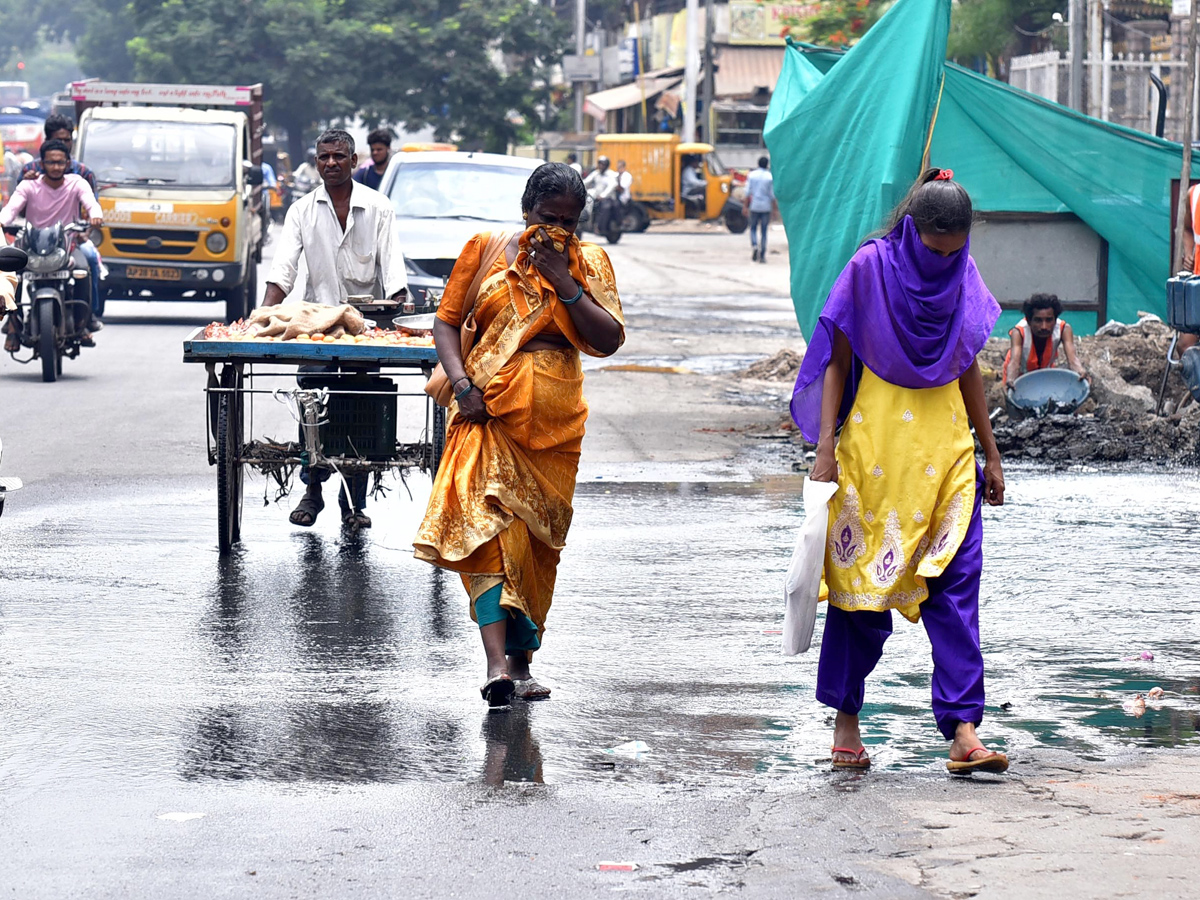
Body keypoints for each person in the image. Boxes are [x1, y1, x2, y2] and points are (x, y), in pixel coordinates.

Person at [790, 168, 1009, 775]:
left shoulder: (962, 273)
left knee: (957, 593)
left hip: (947, 462)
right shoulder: (869, 269)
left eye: (955, 249)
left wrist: (990, 453)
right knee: (860, 600)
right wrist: (825, 446)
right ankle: (846, 726)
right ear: (913, 231)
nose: (944, 260)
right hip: (875, 458)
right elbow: (835, 359)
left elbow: (967, 364)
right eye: (935, 249)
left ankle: (963, 730)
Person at [414, 163, 624, 710]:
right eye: (547, 218)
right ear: (525, 209)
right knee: (488, 530)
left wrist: (564, 281)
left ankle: (523, 665)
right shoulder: (485, 247)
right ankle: (495, 666)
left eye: (569, 223)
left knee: (533, 544)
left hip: (555, 426)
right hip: (486, 413)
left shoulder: (589, 262)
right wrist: (462, 384)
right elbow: (446, 321)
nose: (556, 230)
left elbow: (608, 339)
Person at [264, 129, 409, 530]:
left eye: (338, 156)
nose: (331, 163)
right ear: (316, 162)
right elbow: (283, 272)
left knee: (360, 405)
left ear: (354, 159)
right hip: (317, 327)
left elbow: (393, 272)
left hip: (364, 328)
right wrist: (262, 317)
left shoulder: (379, 208)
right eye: (324, 156)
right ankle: (312, 491)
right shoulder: (301, 210)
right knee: (312, 402)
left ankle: (353, 504)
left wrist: (401, 307)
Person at [1, 139, 105, 349]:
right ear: (43, 164)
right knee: (10, 275)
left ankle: (82, 322)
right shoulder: (28, 186)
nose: (56, 167)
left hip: (68, 246)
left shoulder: (77, 183)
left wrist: (96, 216)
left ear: (67, 163)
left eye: (60, 163)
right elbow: (11, 209)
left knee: (84, 270)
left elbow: (91, 203)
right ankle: (13, 326)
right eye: (51, 162)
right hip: (31, 248)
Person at [20, 115, 103, 324]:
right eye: (60, 140)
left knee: (90, 261)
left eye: (68, 141)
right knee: (12, 267)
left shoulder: (83, 174)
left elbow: (91, 208)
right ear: (48, 142)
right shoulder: (29, 172)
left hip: (70, 238)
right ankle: (14, 323)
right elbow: (18, 206)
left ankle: (86, 317)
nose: (64, 145)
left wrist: (86, 232)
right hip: (35, 241)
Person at [1002, 293, 1088, 392]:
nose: (1044, 326)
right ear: (1029, 321)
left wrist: (1080, 371)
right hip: (1019, 376)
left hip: (1044, 373)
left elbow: (1072, 360)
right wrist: (1010, 380)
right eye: (1038, 320)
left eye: (1049, 320)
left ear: (1055, 319)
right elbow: (1014, 363)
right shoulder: (1019, 332)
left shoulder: (1064, 329)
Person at [743, 156, 775, 263]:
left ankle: (755, 245)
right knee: (764, 231)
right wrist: (774, 210)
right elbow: (772, 195)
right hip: (766, 206)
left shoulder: (752, 176)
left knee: (752, 228)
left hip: (755, 205)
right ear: (767, 165)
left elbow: (747, 193)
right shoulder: (769, 177)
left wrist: (745, 206)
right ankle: (762, 253)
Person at [583, 156, 619, 234]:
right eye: (599, 164)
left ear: (606, 165)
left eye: (603, 164)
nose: (600, 166)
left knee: (605, 207)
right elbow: (586, 181)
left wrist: (603, 195)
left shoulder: (611, 174)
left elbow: (612, 186)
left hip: (608, 198)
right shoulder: (596, 173)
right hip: (595, 198)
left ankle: (600, 227)